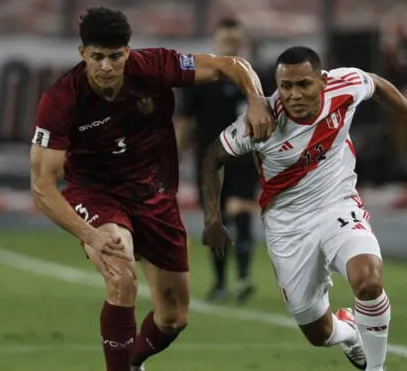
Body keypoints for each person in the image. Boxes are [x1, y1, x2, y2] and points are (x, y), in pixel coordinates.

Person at [29, 7, 273, 371]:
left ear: (128, 51)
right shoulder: (61, 100)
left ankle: (134, 361)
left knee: (174, 317)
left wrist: (255, 99)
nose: (107, 66)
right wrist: (90, 236)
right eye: (98, 57)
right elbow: (43, 186)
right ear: (83, 55)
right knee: (120, 272)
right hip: (98, 195)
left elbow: (231, 65)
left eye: (115, 56)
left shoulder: (156, 66)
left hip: (154, 195)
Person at [200, 46, 407, 371]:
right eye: (286, 86)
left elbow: (376, 84)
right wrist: (213, 218)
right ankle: (350, 332)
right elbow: (212, 158)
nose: (293, 95)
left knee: (367, 280)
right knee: (318, 333)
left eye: (303, 85)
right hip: (288, 226)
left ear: (322, 81)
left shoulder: (344, 85)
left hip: (337, 203)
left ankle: (376, 368)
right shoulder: (261, 121)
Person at [176, 18, 267, 303]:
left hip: (244, 160)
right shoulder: (199, 78)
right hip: (210, 163)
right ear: (216, 42)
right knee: (215, 221)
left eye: (235, 41)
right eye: (226, 41)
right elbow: (184, 122)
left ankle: (242, 278)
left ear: (242, 43)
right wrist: (173, 158)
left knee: (242, 216)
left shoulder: (254, 77)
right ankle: (219, 282)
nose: (231, 45)